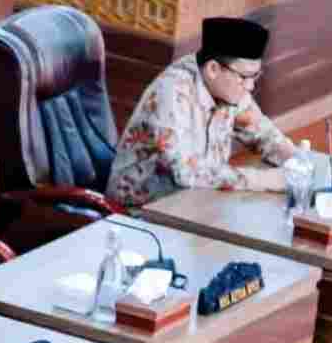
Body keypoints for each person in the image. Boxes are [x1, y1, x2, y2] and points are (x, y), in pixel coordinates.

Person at [107, 17, 297, 208]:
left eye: (255, 76)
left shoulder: (229, 88)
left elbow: (261, 131)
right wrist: (263, 180)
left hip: (197, 203)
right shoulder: (172, 93)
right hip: (139, 213)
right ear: (213, 69)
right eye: (244, 77)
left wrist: (294, 160)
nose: (250, 86)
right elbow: (186, 173)